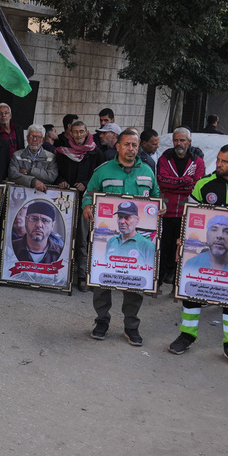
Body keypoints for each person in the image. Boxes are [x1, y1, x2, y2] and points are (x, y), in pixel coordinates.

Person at [172, 144, 228, 368]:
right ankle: (187, 335)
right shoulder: (204, 184)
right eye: (218, 160)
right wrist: (181, 241)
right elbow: (189, 217)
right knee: (192, 291)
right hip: (203, 253)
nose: (219, 165)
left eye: (225, 161)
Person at [83, 129, 161, 346]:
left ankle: (131, 326)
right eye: (127, 144)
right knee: (102, 279)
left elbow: (155, 196)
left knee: (135, 282)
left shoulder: (147, 170)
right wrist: (87, 205)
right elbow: (89, 193)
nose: (131, 149)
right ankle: (102, 321)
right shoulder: (103, 171)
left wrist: (159, 209)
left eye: (135, 145)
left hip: (138, 240)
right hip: (107, 238)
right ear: (117, 146)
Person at [55, 119, 102, 291]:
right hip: (66, 201)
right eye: (75, 132)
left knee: (83, 239)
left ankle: (82, 275)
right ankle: (62, 273)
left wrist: (86, 183)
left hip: (86, 202)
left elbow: (99, 176)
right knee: (63, 236)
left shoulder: (95, 153)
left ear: (87, 132)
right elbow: (56, 173)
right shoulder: (62, 152)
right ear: (70, 133)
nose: (79, 135)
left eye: (82, 131)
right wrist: (61, 181)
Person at [156, 127, 205, 288]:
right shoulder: (165, 158)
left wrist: (174, 185)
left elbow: (196, 187)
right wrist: (185, 181)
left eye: (182, 140)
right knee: (163, 248)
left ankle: (178, 284)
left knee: (183, 249)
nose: (179, 143)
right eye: (176, 140)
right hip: (166, 211)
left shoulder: (197, 161)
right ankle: (158, 280)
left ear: (189, 142)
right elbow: (162, 181)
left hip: (186, 213)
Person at [102, 200, 155, 267]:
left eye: (127, 217)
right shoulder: (111, 242)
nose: (122, 221)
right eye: (120, 217)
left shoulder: (148, 246)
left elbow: (150, 274)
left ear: (137, 220)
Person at [8, 124, 58, 193]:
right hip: (21, 196)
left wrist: (29, 171)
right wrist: (33, 181)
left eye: (38, 137)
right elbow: (13, 175)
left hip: (43, 196)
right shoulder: (17, 155)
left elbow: (51, 177)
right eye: (32, 136)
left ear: (43, 140)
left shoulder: (51, 157)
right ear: (27, 138)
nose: (34, 139)